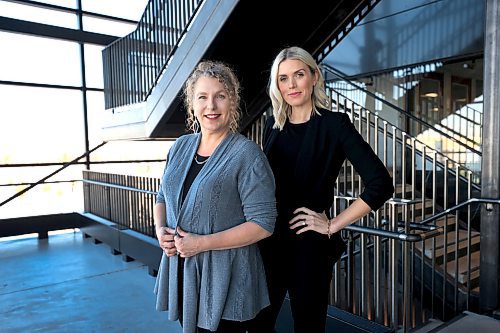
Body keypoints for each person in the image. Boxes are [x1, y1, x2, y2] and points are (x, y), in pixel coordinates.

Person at [255, 46, 394, 333]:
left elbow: (381, 183)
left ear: (314, 77)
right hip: (267, 243)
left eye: (299, 75)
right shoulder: (272, 125)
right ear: (276, 85)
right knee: (258, 325)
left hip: (309, 249)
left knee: (308, 327)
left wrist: (332, 224)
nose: (291, 85)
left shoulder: (334, 124)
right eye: (283, 78)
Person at [153, 60, 277, 333]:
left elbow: (264, 224)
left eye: (220, 96)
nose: (211, 106)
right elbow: (162, 195)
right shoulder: (180, 146)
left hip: (228, 281)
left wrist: (202, 243)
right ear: (192, 103)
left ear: (232, 102)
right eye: (203, 97)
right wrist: (160, 229)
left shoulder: (247, 154)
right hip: (185, 274)